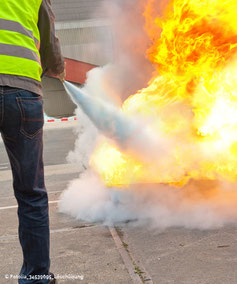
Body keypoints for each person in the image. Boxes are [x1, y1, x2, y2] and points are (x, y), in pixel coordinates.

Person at [0, 0, 65, 283]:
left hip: (22, 89)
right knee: (31, 192)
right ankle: (37, 277)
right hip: (23, 92)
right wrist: (57, 70)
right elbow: (50, 41)